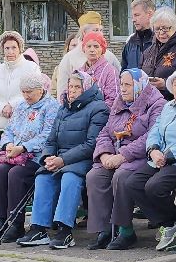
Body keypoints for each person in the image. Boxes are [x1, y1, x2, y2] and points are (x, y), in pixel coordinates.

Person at [113, 67, 176, 251]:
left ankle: (169, 221)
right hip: (161, 158)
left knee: (154, 187)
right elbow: (155, 131)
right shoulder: (169, 106)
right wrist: (153, 150)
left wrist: (167, 156)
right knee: (132, 183)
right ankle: (172, 220)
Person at [19, 71, 109, 249]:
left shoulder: (99, 108)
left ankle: (65, 230)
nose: (73, 91)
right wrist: (48, 158)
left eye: (77, 87)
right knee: (42, 177)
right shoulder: (64, 108)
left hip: (84, 159)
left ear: (87, 88)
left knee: (70, 178)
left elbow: (91, 144)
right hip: (60, 158)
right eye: (70, 87)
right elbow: (51, 140)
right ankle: (38, 228)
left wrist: (63, 160)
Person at [87, 69, 165, 249]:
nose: (123, 89)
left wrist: (122, 156)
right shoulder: (119, 102)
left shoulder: (156, 104)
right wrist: (105, 154)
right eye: (121, 84)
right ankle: (104, 230)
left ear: (139, 85)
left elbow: (151, 136)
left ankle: (125, 230)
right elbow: (106, 131)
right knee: (95, 176)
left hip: (142, 155)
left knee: (121, 176)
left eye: (128, 85)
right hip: (114, 152)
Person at [0, 73, 61, 239]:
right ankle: (0, 221)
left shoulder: (51, 106)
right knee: (0, 171)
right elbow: (9, 130)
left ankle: (16, 224)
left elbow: (47, 136)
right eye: (23, 91)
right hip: (16, 155)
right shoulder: (22, 106)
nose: (26, 95)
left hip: (37, 157)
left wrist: (23, 147)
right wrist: (8, 145)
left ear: (40, 90)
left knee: (16, 174)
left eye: (30, 92)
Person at [0, 31, 43, 134]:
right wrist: (2, 108)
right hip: (3, 126)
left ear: (20, 49)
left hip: (26, 125)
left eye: (14, 47)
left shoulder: (31, 67)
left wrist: (12, 106)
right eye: (7, 48)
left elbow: (36, 93)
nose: (10, 51)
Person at [121, 0, 157, 70]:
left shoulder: (161, 41)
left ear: (149, 14)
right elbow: (124, 71)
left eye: (137, 15)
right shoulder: (130, 42)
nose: (133, 20)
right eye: (132, 16)